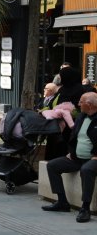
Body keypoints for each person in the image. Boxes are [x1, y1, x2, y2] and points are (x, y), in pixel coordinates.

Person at [42, 92, 97, 223]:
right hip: (76, 157)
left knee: (87, 170)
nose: (78, 104)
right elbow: (73, 137)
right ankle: (62, 202)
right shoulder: (81, 117)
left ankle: (85, 208)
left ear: (89, 105)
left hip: (93, 159)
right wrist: (71, 152)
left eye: (81, 102)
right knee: (52, 165)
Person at [44, 66, 85, 160]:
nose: (61, 78)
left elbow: (80, 106)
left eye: (63, 76)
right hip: (57, 122)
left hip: (71, 124)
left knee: (65, 145)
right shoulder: (62, 89)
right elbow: (53, 102)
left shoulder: (79, 89)